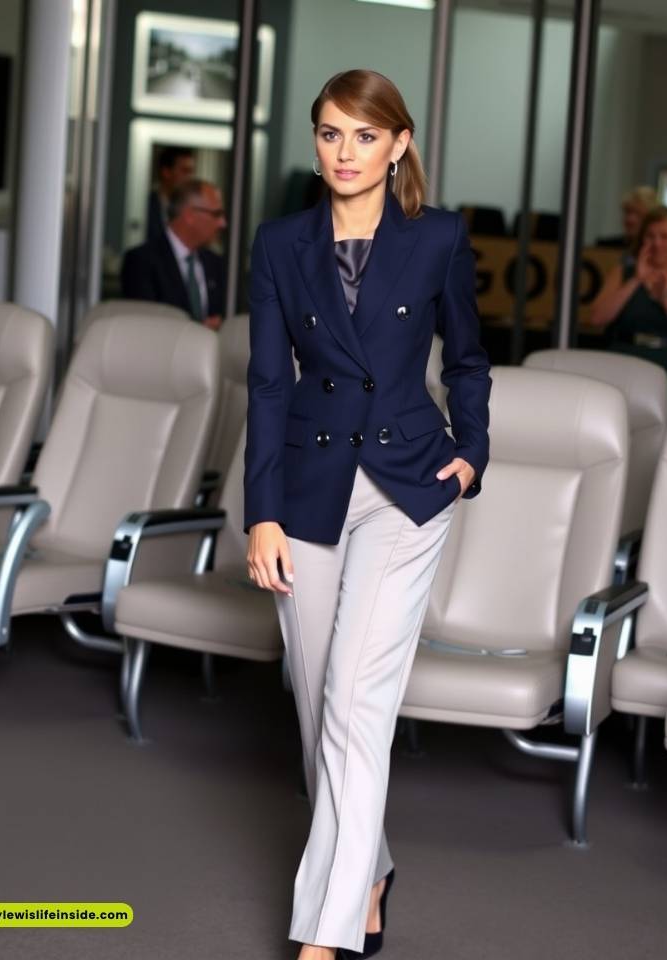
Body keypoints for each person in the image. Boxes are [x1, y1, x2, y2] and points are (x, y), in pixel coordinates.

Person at [244, 70, 491, 960]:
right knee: (316, 700)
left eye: (362, 135)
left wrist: (472, 451)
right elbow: (269, 385)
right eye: (328, 134)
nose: (343, 153)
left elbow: (468, 357)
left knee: (355, 697)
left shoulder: (438, 241)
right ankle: (371, 864)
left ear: (400, 143)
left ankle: (327, 931)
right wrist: (259, 514)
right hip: (306, 492)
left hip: (406, 487)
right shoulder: (280, 244)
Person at [590, 205, 667, 405]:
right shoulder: (623, 273)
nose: (657, 243)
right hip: (624, 365)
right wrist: (636, 280)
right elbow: (597, 318)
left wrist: (666, 302)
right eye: (650, 236)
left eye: (665, 236)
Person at [121, 178, 227, 330]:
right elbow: (144, 325)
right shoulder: (141, 261)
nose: (222, 223)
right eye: (216, 214)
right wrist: (195, 330)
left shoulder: (216, 263)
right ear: (190, 215)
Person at [597, 184, 658, 265]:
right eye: (627, 212)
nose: (630, 219)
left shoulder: (657, 251)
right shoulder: (604, 247)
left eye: (638, 214)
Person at [146, 146, 196, 240]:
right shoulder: (145, 207)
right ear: (166, 172)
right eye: (185, 171)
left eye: (191, 172)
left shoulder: (193, 210)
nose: (190, 178)